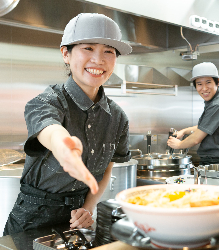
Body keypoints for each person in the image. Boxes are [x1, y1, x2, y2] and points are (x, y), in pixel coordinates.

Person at [3, 13, 132, 236]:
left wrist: (89, 206)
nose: (98, 60)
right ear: (66, 53)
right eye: (88, 48)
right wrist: (64, 147)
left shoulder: (118, 117)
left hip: (79, 221)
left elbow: (107, 168)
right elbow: (49, 130)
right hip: (32, 220)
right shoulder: (46, 101)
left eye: (108, 51)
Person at [167, 62, 219, 166]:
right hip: (216, 161)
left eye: (208, 82)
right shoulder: (215, 101)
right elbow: (204, 127)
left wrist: (178, 144)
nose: (204, 88)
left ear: (218, 82)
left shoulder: (217, 105)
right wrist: (184, 131)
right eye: (199, 84)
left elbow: (196, 139)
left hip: (217, 164)